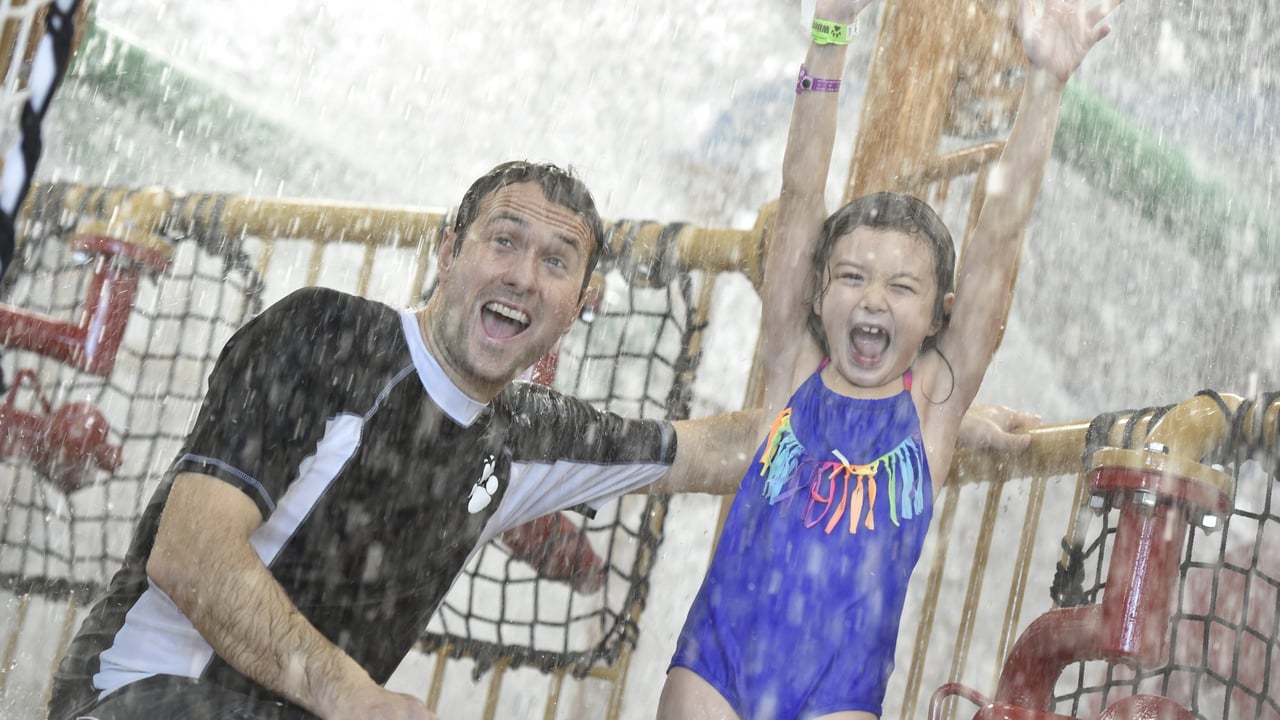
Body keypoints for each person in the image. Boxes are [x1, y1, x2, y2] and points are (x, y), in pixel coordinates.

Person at [46, 160, 1035, 719]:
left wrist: (915, 416)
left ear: (579, 306)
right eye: (502, 241)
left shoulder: (521, 439)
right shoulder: (321, 335)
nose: (521, 275)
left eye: (555, 260)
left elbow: (722, 447)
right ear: (449, 251)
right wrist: (345, 695)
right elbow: (190, 554)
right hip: (144, 698)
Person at [658, 0, 1121, 718]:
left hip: (840, 693)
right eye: (851, 277)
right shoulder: (793, 364)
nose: (873, 299)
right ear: (816, 294)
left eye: (901, 286)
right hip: (717, 664)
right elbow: (803, 186)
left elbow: (999, 234)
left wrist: (1045, 85)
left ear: (939, 314)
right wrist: (831, 31)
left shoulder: (935, 402)